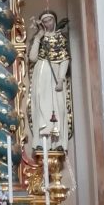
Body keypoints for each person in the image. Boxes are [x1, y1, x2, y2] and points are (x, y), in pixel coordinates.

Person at [28, 11, 71, 150]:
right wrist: (38, 38)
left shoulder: (60, 38)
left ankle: (58, 142)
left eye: (50, 20)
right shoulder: (39, 37)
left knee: (58, 106)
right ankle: (40, 141)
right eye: (45, 21)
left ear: (54, 21)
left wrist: (61, 78)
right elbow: (33, 58)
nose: (48, 23)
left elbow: (64, 59)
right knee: (41, 104)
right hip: (41, 71)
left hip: (56, 73)